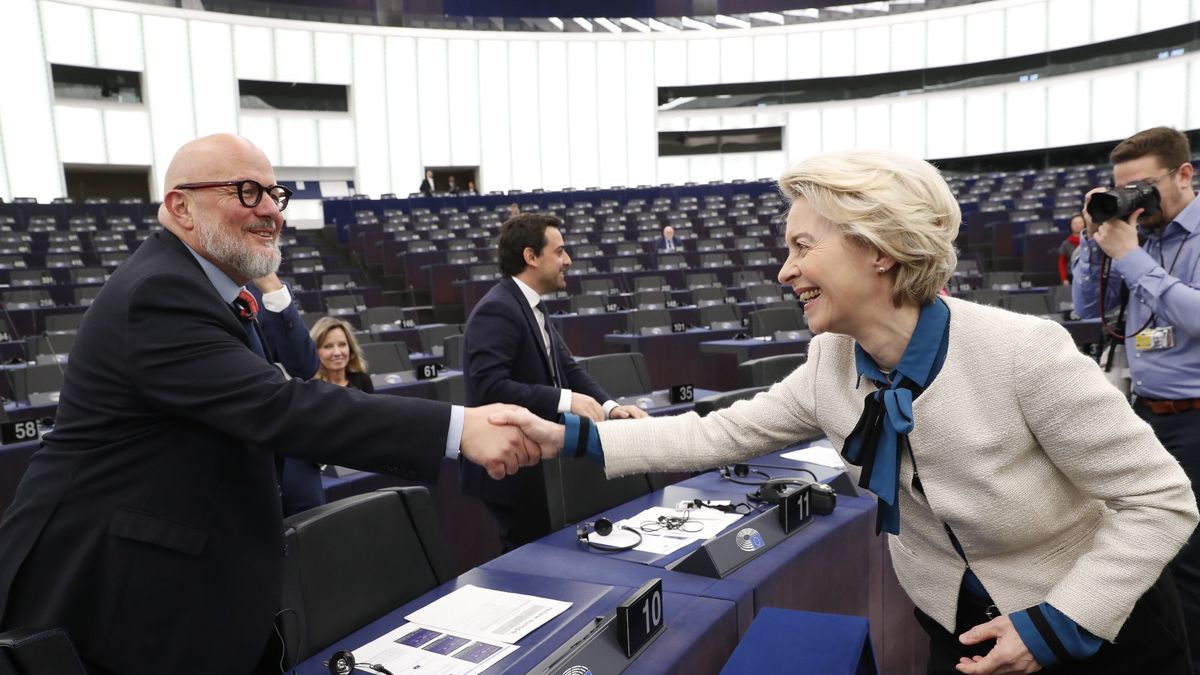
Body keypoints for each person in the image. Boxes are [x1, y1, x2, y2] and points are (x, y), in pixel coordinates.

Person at [500, 149, 1199, 675]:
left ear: (880, 250)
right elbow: (718, 431)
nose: (784, 270)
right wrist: (572, 437)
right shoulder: (832, 363)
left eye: (803, 247)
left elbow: (1162, 500)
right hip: (957, 633)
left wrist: (1057, 624)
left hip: (1093, 634)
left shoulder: (1023, 353)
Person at [0, 133, 544, 675]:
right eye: (245, 192)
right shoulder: (157, 292)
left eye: (274, 194)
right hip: (112, 589)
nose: (269, 211)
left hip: (182, 581)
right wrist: (458, 427)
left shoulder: (212, 288)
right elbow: (279, 405)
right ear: (180, 206)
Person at [1073, 125, 1200, 669]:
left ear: (1184, 174)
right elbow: (1086, 308)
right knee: (1158, 555)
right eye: (1126, 190)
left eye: (1144, 188)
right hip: (1146, 412)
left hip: (1196, 417)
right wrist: (1093, 241)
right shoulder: (1137, 238)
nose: (1136, 202)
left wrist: (1130, 256)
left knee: (1190, 560)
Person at [462, 213, 647, 549]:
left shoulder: (532, 306)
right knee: (527, 564)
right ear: (531, 257)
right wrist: (564, 400)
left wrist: (611, 408)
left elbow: (568, 369)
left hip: (538, 465)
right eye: (559, 251)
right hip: (512, 466)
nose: (568, 260)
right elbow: (489, 388)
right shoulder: (498, 309)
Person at [247, 272, 326, 518]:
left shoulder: (270, 290)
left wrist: (272, 289)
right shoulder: (194, 289)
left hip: (295, 456)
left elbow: (305, 366)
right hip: (242, 456)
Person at [310, 315, 373, 393]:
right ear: (315, 351)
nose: (337, 352)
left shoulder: (363, 381)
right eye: (328, 346)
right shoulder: (311, 389)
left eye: (342, 344)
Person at [1058, 214, 1085, 285]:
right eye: (1075, 223)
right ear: (1071, 225)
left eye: (1080, 223)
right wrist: (1064, 279)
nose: (1077, 225)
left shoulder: (1090, 241)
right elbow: (1062, 263)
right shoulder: (1066, 243)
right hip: (1072, 276)